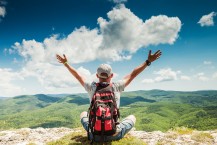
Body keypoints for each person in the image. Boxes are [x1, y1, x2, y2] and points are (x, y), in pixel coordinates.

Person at [56, 50, 162, 142]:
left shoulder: (91, 87)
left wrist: (66, 63)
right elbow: (133, 74)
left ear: (97, 76)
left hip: (94, 136)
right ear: (111, 75)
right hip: (114, 134)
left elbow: (78, 75)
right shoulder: (117, 86)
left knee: (83, 114)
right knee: (132, 117)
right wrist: (148, 62)